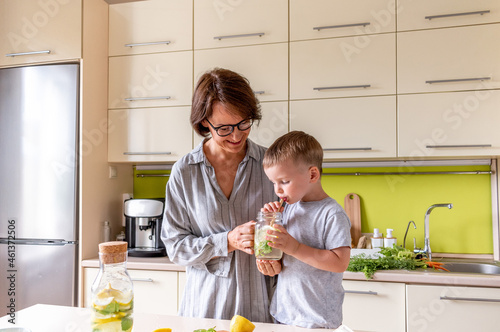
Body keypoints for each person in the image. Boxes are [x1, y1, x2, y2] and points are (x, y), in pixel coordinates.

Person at [161, 68, 280, 323]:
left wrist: (280, 254)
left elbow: (296, 233)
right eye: (224, 128)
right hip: (205, 310)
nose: (236, 136)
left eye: (243, 123)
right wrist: (226, 241)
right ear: (205, 122)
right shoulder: (185, 172)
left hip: (262, 311)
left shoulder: (272, 165)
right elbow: (175, 248)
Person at [257, 130, 351, 329]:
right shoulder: (288, 209)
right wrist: (270, 251)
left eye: (284, 182)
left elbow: (340, 263)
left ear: (312, 174)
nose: (277, 190)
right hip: (284, 313)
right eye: (274, 183)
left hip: (316, 318)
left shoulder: (332, 214)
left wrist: (295, 248)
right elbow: (285, 261)